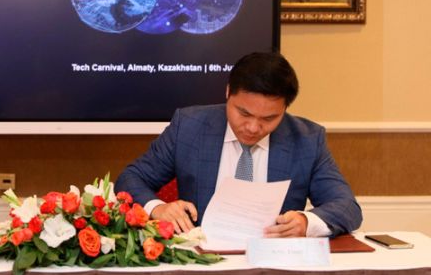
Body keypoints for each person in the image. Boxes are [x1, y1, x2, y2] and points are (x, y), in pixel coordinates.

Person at [115, 52, 362, 238]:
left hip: (273, 262)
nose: (253, 128)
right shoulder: (189, 126)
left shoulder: (307, 139)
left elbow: (347, 207)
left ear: (285, 108)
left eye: (269, 118)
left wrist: (306, 223)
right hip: (202, 259)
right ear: (228, 93)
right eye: (243, 113)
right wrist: (158, 208)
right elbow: (131, 178)